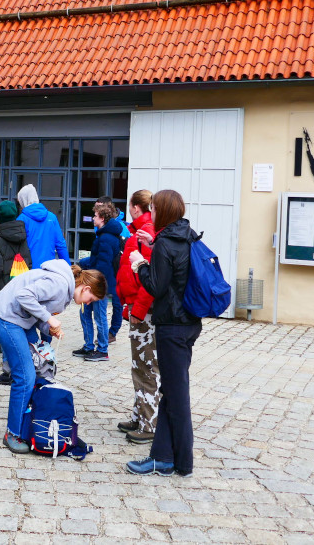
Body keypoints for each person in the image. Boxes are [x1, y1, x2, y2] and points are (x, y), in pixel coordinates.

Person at [0, 261, 105, 453]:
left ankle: (32, 424)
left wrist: (49, 329)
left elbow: (36, 312)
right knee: (25, 376)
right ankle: (12, 433)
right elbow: (24, 296)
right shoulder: (60, 284)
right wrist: (50, 319)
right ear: (85, 288)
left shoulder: (66, 292)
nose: (88, 303)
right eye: (90, 298)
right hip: (6, 318)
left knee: (38, 371)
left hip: (18, 320)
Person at [127, 189, 200, 477]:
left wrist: (140, 263)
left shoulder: (164, 244)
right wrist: (153, 242)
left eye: (154, 209)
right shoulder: (186, 235)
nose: (151, 213)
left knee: (176, 395)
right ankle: (163, 457)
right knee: (170, 392)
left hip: (172, 326)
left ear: (164, 212)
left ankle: (183, 462)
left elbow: (156, 286)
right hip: (189, 323)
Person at [115, 189, 159, 445]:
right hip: (136, 310)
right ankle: (139, 416)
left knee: (147, 368)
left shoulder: (147, 235)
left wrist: (137, 311)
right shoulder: (138, 232)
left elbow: (149, 281)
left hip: (144, 313)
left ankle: (148, 424)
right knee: (138, 367)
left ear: (135, 207)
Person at [0, 201, 33, 385]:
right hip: (21, 289)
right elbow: (28, 264)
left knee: (5, 329)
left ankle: (9, 372)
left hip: (2, 291)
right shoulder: (23, 237)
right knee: (17, 328)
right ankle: (16, 370)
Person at [73, 201, 123, 362]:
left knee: (99, 317)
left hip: (99, 284)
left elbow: (103, 264)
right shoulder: (103, 235)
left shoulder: (106, 238)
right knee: (85, 314)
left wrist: (92, 281)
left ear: (101, 218)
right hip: (95, 282)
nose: (93, 218)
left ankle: (102, 350)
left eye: (95, 215)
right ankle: (88, 346)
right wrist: (83, 264)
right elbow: (97, 260)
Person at [96, 196, 128, 341]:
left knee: (116, 301)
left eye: (99, 207)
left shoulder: (120, 226)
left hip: (118, 269)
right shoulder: (102, 226)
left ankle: (112, 332)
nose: (96, 210)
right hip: (109, 268)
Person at [16, 184, 71, 266]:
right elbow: (60, 245)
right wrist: (69, 268)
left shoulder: (21, 219)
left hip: (28, 270)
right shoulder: (52, 217)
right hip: (48, 269)